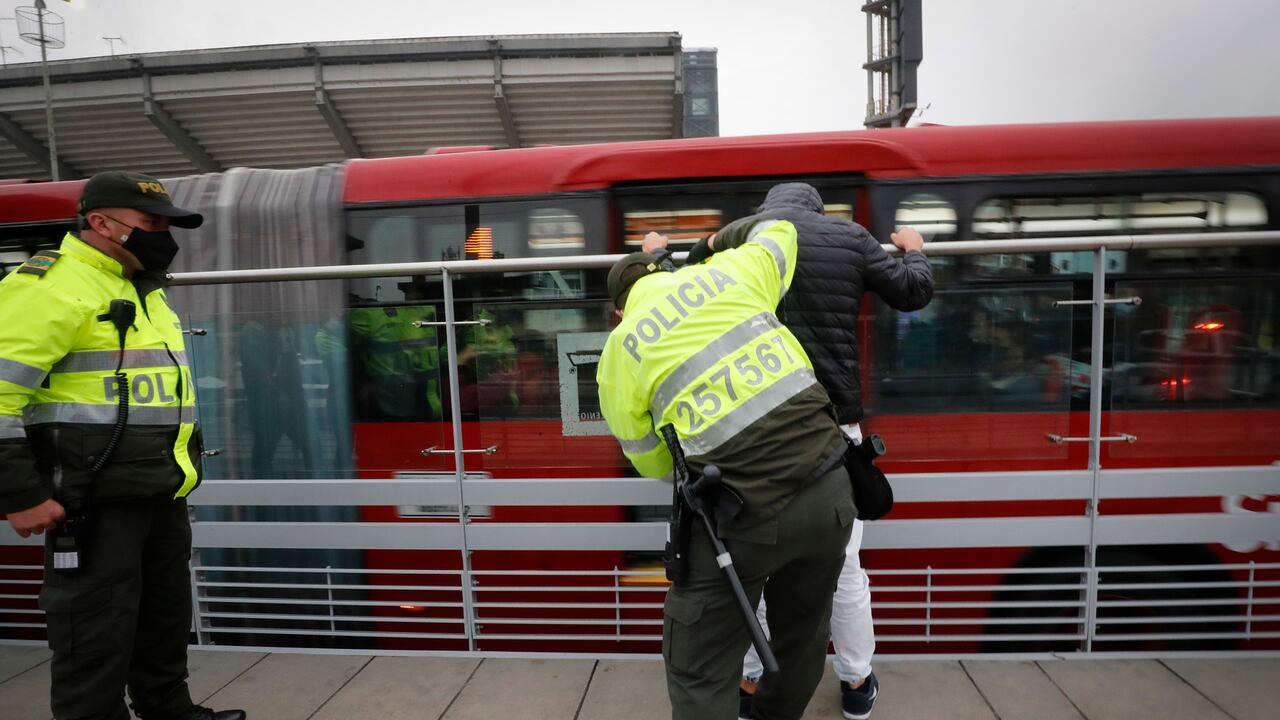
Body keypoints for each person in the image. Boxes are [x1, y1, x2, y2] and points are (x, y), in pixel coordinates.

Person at [0, 172, 246, 720]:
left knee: (162, 617)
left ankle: (169, 710)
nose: (163, 234)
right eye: (151, 223)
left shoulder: (142, 288)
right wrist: (19, 494)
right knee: (94, 631)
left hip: (159, 488)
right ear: (101, 223)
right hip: (91, 498)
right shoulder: (49, 287)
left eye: (166, 224)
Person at [688, 183, 934, 720]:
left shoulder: (745, 241)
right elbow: (912, 294)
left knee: (749, 564)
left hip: (750, 429)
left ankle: (752, 680)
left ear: (767, 210)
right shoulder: (849, 236)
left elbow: (689, 272)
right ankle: (856, 680)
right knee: (844, 568)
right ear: (818, 210)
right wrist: (914, 248)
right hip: (830, 424)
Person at [598, 223, 856, 720]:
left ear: (618, 310)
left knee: (699, 665)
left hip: (739, 519)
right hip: (831, 489)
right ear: (670, 270)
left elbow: (653, 460)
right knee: (801, 638)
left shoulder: (621, 348)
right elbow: (781, 229)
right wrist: (714, 244)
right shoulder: (729, 273)